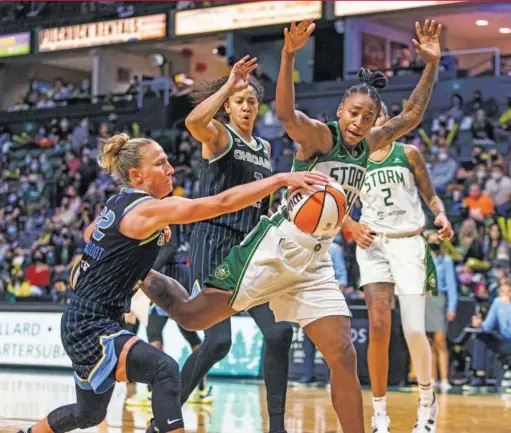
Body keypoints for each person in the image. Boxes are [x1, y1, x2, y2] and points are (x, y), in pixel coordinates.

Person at [141, 18, 444, 433]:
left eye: (368, 116)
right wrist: (287, 54)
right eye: (354, 113)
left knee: (341, 353)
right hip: (278, 246)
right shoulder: (320, 137)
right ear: (341, 111)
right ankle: (137, 268)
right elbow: (284, 111)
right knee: (194, 319)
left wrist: (430, 64)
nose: (360, 121)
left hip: (315, 262)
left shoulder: (371, 143)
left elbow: (411, 114)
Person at [19, 134, 328, 433]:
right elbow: (219, 203)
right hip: (91, 324)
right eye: (161, 163)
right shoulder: (146, 208)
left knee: (87, 414)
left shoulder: (121, 202)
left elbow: (90, 235)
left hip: (87, 319)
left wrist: (140, 246)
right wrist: (278, 180)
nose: (170, 169)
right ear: (137, 175)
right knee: (164, 370)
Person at [181, 56, 293, 432]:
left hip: (250, 251)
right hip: (212, 244)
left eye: (251, 102)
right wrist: (229, 84)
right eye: (239, 101)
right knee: (217, 343)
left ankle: (276, 427)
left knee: (279, 332)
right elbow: (193, 122)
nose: (246, 107)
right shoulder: (218, 135)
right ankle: (163, 414)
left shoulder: (263, 147)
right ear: (228, 105)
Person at [348, 98, 453, 432]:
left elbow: (430, 195)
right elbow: (337, 203)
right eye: (365, 118)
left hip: (409, 242)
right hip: (373, 244)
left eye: (376, 116)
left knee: (413, 328)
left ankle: (427, 401)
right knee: (379, 327)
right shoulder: (355, 158)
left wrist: (440, 213)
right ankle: (379, 413)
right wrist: (350, 227)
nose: (372, 123)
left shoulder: (408, 153)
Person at [126, 226, 212, 407]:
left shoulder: (165, 219)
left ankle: (154, 391)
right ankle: (202, 388)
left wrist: (143, 271)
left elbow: (168, 249)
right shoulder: (178, 222)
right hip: (178, 280)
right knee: (187, 336)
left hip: (169, 283)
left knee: (156, 334)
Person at [426, 231, 458, 394]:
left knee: (440, 341)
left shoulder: (445, 260)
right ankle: (432, 379)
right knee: (428, 342)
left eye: (437, 240)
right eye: (431, 240)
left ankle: (444, 379)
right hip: (425, 299)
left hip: (439, 299)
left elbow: (452, 286)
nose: (434, 243)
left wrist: (452, 307)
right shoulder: (422, 260)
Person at [466, 280, 511, 388]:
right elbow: (487, 326)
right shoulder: (497, 303)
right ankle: (480, 375)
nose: (506, 294)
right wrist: (479, 324)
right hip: (503, 340)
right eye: (502, 291)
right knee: (481, 336)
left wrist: (507, 308)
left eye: (509, 291)